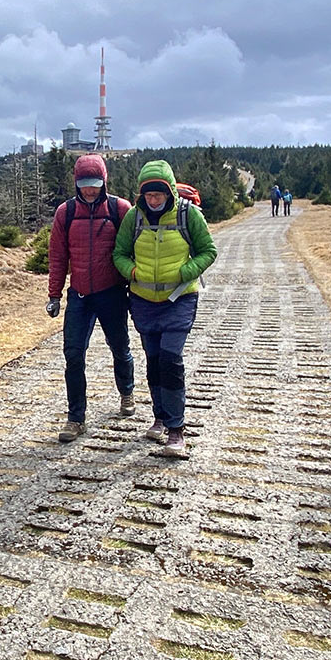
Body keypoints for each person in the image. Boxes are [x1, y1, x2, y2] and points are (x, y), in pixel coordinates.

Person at [113, 160, 218, 458]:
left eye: (159, 194)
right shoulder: (134, 218)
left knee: (171, 360)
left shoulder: (189, 215)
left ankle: (176, 431)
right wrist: (131, 272)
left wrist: (188, 271)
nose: (154, 199)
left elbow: (208, 250)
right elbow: (119, 253)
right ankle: (159, 417)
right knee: (154, 360)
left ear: (170, 191)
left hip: (179, 299)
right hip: (144, 301)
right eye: (148, 194)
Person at [46, 154, 137, 442]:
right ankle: (76, 418)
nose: (89, 189)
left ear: (104, 182)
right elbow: (58, 256)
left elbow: (134, 249)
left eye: (95, 184)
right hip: (80, 296)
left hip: (112, 293)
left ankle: (127, 392)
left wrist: (137, 289)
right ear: (76, 183)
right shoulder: (66, 212)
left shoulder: (120, 209)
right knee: (73, 355)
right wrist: (54, 294)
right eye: (84, 184)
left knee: (120, 347)